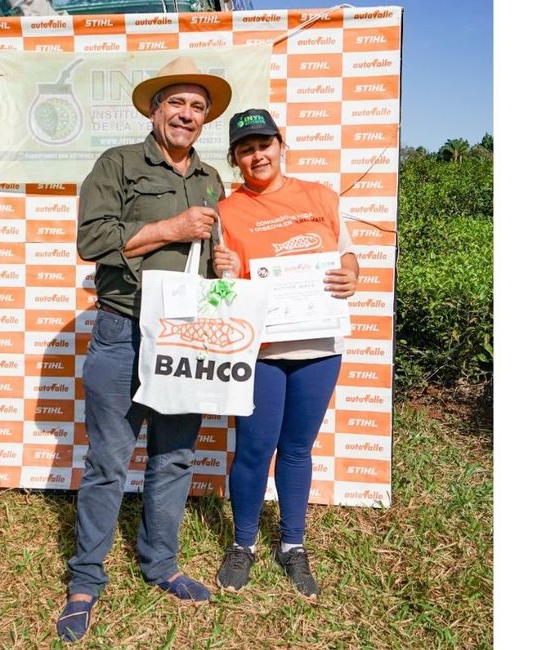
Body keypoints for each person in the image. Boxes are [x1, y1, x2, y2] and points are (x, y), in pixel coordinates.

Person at [55, 56, 232, 642]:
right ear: (156, 111)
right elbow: (91, 240)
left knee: (175, 457)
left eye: (197, 107)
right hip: (123, 330)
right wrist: (168, 229)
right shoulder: (119, 163)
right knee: (109, 462)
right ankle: (85, 582)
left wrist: (223, 264)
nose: (186, 114)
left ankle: (161, 565)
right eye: (176, 103)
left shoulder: (211, 179)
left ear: (205, 120)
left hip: (185, 335)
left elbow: (209, 259)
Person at [210, 108, 359, 599]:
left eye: (264, 144)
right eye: (246, 149)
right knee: (254, 448)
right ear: (236, 159)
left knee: (297, 449)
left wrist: (352, 273)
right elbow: (222, 286)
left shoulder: (320, 197)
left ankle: (292, 544)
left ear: (281, 144)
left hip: (319, 345)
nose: (257, 155)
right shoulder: (226, 212)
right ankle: (243, 544)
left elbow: (347, 253)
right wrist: (224, 269)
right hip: (262, 348)